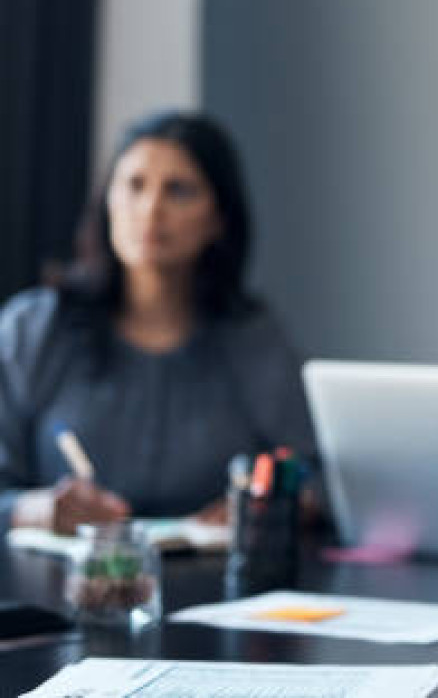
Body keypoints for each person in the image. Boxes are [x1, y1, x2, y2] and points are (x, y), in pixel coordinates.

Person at [0, 111, 319, 535]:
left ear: (219, 219)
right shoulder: (36, 328)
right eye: (134, 186)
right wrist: (29, 510)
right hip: (57, 588)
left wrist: (274, 506)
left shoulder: (252, 339)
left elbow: (314, 477)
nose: (151, 209)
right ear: (107, 201)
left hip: (211, 587)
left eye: (179, 191)